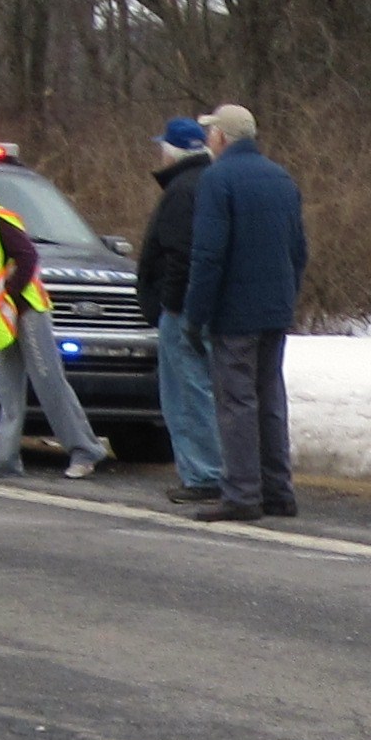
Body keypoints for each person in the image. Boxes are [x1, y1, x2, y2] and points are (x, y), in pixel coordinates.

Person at [0, 162, 106, 480]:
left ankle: (85, 450)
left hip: (27, 310)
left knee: (48, 380)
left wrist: (11, 295)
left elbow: (28, 257)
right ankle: (4, 457)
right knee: (8, 388)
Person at [181, 100, 305, 522]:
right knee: (270, 398)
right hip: (275, 307)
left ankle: (242, 493)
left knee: (236, 403)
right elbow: (298, 249)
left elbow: (208, 254)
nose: (207, 139)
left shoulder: (217, 179)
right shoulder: (281, 177)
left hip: (235, 312)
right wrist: (287, 295)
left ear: (221, 137)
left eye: (210, 132)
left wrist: (196, 314)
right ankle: (278, 490)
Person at [135, 117, 225, 508]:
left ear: (173, 151)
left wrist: (169, 305)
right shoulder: (212, 182)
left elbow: (180, 254)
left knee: (187, 393)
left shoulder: (182, 189)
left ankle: (203, 474)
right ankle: (213, 468)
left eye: (164, 147)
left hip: (183, 309)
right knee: (204, 388)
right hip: (209, 305)